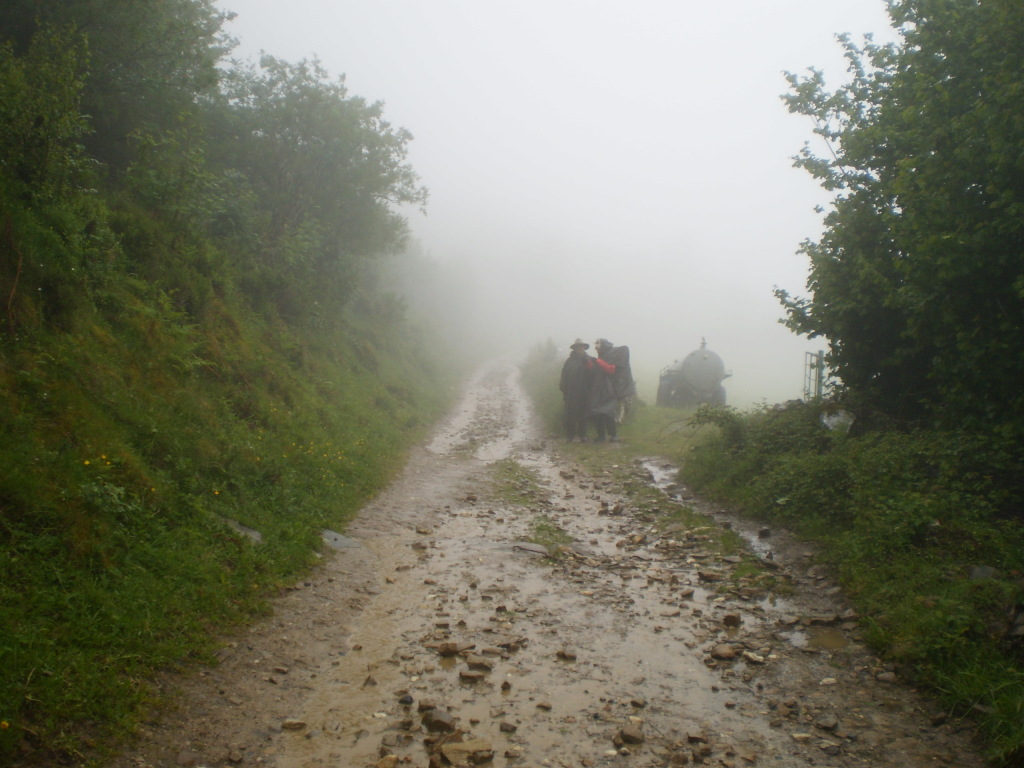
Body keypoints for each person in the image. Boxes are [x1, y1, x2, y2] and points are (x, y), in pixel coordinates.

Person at [590, 338, 636, 441]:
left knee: (608, 412)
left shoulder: (610, 355)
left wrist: (598, 361)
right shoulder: (602, 356)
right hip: (599, 389)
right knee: (599, 412)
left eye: (598, 344)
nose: (596, 347)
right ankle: (601, 435)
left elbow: (611, 370)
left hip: (609, 389)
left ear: (604, 345)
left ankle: (613, 435)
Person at [559, 338, 592, 441]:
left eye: (581, 346)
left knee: (583, 414)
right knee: (570, 414)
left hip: (584, 391)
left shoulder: (588, 360)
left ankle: (583, 435)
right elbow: (564, 375)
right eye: (578, 347)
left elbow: (593, 374)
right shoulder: (569, 361)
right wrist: (564, 389)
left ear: (584, 348)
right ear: (575, 348)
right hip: (571, 392)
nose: (580, 348)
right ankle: (570, 436)